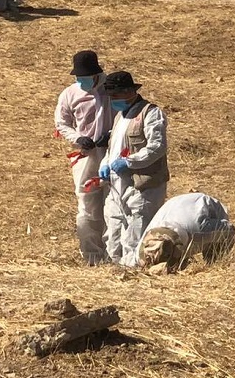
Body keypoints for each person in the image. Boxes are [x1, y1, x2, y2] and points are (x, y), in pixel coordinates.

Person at [97, 71, 169, 267]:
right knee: (113, 232)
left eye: (116, 96)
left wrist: (129, 161)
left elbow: (156, 147)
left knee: (135, 234)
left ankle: (133, 272)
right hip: (116, 186)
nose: (113, 100)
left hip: (141, 186)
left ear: (129, 92)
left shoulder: (150, 113)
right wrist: (104, 165)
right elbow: (113, 148)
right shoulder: (120, 116)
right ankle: (115, 270)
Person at [54, 50, 112, 265]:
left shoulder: (111, 89)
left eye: (85, 77)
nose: (82, 81)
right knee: (87, 204)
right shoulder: (70, 94)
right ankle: (92, 256)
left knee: (115, 202)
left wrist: (113, 136)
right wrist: (79, 138)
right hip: (87, 155)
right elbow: (62, 123)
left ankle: (115, 253)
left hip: (114, 153)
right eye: (79, 78)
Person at [136, 193, 235, 271]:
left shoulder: (199, 232)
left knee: (220, 240)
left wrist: (215, 261)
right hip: (175, 205)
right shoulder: (142, 248)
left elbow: (229, 229)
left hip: (206, 206)